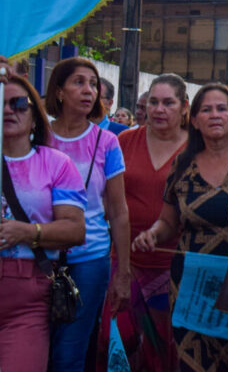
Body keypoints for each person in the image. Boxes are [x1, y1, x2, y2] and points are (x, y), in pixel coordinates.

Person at [133, 82, 228, 372]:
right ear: (194, 119)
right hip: (191, 282)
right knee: (194, 362)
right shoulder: (182, 164)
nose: (214, 115)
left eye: (222, 108)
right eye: (206, 110)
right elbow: (169, 221)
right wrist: (153, 234)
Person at [45, 58, 131, 371]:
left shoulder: (106, 142)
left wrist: (123, 273)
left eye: (93, 84)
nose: (88, 91)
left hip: (90, 260)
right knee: (36, 346)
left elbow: (119, 211)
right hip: (39, 257)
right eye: (78, 82)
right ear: (58, 90)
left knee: (70, 354)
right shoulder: (36, 136)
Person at [0, 63, 87, 372]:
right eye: (2, 102)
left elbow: (76, 230)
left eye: (19, 103)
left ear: (35, 114)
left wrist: (27, 232)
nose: (9, 110)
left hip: (27, 296)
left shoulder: (56, 164)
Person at [102, 73, 189, 372]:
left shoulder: (196, 149)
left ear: (184, 107)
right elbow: (107, 200)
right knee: (120, 345)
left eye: (168, 102)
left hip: (174, 268)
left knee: (166, 353)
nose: (159, 109)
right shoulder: (125, 141)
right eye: (153, 102)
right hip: (124, 262)